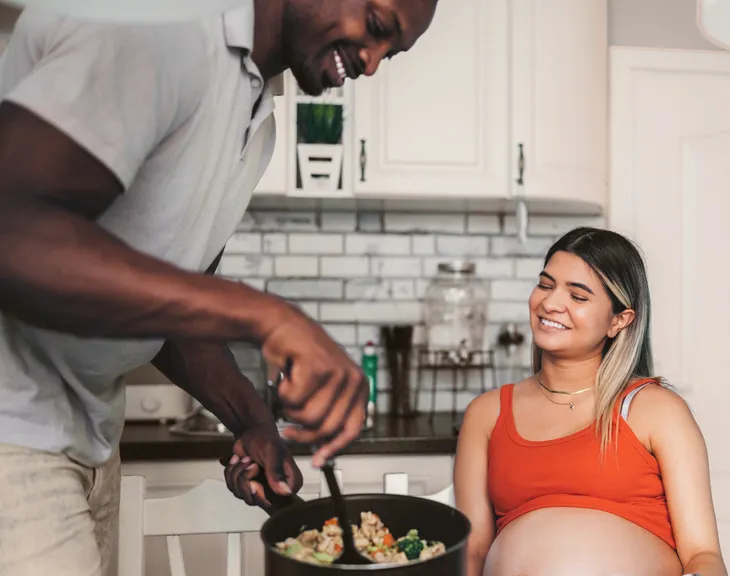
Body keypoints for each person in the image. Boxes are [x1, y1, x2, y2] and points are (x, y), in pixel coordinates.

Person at [0, 1, 437, 574]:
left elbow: (177, 314)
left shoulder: (257, 122)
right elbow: (15, 229)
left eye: (391, 53)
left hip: (92, 438)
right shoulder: (160, 25)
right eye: (377, 28)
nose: (373, 64)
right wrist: (267, 316)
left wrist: (253, 422)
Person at [453, 227, 729, 576]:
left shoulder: (657, 411)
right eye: (545, 285)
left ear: (618, 321)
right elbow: (474, 549)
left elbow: (703, 554)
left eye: (578, 296)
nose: (550, 303)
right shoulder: (487, 414)